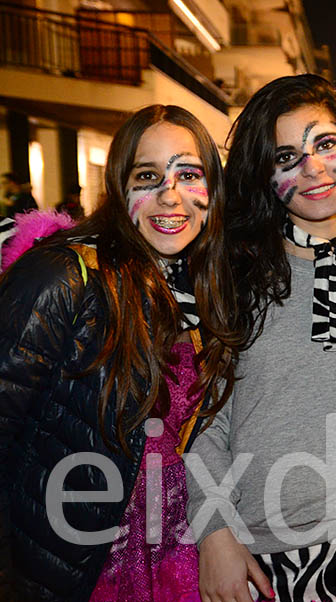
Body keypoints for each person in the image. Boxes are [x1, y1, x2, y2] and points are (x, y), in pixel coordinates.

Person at [185, 74, 336, 602]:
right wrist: (213, 531)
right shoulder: (231, 277)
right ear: (264, 174)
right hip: (259, 560)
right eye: (285, 157)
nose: (313, 168)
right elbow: (203, 420)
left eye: (325, 144)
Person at [0, 104, 239, 601]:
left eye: (188, 174)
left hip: (188, 546)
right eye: (147, 175)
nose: (169, 196)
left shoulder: (212, 286)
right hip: (86, 559)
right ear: (119, 184)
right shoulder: (63, 275)